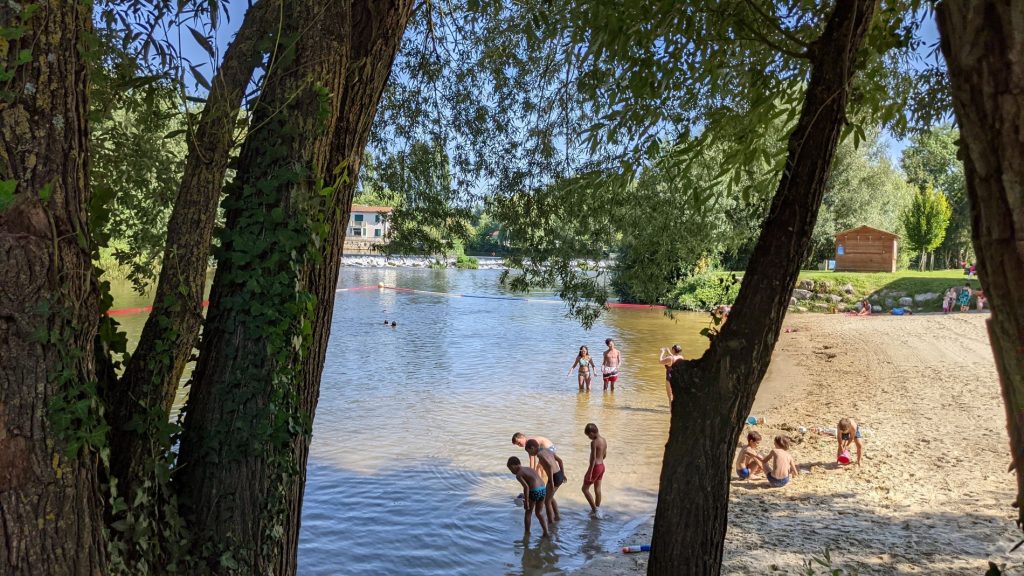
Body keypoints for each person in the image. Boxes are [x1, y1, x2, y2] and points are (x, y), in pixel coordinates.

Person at [507, 456, 549, 537]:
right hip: (543, 489)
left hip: (535, 491)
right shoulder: (529, 469)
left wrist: (526, 502)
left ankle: (527, 533)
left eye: (510, 469)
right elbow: (534, 480)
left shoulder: (519, 475)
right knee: (539, 513)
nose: (511, 472)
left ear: (513, 466)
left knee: (528, 513)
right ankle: (546, 532)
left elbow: (526, 487)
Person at [526, 439, 565, 522]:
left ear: (532, 448)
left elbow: (550, 467)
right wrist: (563, 474)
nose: (529, 454)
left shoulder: (540, 454)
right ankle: (557, 516)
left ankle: (551, 522)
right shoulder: (547, 450)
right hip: (559, 474)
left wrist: (551, 481)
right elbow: (560, 461)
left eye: (529, 452)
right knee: (550, 497)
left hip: (554, 478)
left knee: (547, 502)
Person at [582, 423, 607, 514]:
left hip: (596, 467)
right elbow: (604, 455)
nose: (589, 437)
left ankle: (594, 510)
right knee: (597, 489)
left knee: (584, 489)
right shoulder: (604, 440)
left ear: (592, 433)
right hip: (602, 467)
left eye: (588, 435)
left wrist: (590, 472)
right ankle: (597, 508)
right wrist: (600, 463)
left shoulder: (594, 443)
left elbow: (593, 459)